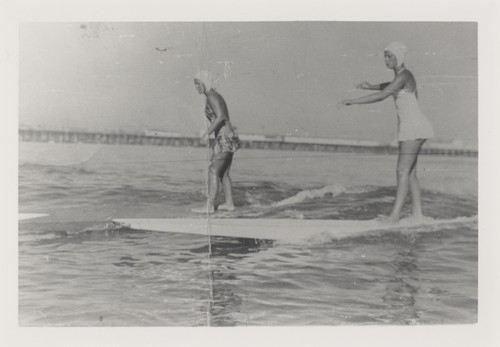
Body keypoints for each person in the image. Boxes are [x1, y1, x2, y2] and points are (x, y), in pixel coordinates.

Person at [337, 42, 434, 224]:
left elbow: (383, 95)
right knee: (410, 172)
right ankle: (418, 215)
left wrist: (353, 101)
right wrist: (370, 86)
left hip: (414, 127)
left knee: (402, 171)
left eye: (390, 56)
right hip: (414, 127)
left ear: (399, 57)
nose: (386, 59)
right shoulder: (401, 77)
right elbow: (389, 85)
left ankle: (394, 217)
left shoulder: (405, 75)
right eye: (385, 55)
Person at [192, 70, 240, 214]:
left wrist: (207, 133)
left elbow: (220, 117)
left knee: (213, 170)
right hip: (228, 135)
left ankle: (209, 206)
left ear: (205, 82)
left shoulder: (211, 96)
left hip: (224, 136)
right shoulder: (214, 95)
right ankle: (229, 204)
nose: (196, 86)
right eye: (195, 84)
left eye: (198, 83)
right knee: (223, 173)